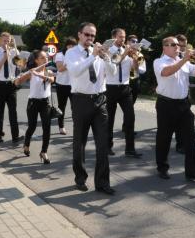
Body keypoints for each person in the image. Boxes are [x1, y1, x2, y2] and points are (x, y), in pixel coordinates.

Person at [65, 22, 116, 195]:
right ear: (79, 35)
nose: (90, 38)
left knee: (103, 143)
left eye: (93, 35)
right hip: (81, 100)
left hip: (100, 99)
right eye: (87, 34)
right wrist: (93, 56)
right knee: (80, 142)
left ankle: (102, 182)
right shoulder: (72, 53)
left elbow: (112, 73)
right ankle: (80, 178)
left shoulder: (98, 53)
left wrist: (106, 57)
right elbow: (75, 71)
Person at [153, 36, 195, 183]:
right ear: (165, 47)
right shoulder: (159, 61)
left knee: (190, 138)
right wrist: (184, 60)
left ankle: (193, 172)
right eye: (173, 45)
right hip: (166, 104)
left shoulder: (184, 61)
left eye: (178, 45)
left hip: (183, 104)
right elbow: (166, 72)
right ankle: (162, 168)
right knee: (164, 138)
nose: (177, 47)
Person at [105, 28, 142, 158]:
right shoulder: (108, 50)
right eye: (120, 37)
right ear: (113, 37)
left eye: (124, 37)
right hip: (110, 88)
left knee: (130, 118)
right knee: (109, 119)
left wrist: (135, 58)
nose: (123, 39)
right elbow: (115, 62)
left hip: (125, 88)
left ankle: (130, 149)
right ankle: (107, 146)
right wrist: (126, 53)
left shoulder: (126, 50)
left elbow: (135, 70)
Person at [15, 50, 55, 164]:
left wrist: (39, 75)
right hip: (33, 102)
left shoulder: (48, 71)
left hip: (45, 103)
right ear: (37, 60)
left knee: (47, 128)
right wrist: (21, 76)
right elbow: (18, 82)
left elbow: (51, 80)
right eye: (42, 58)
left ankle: (44, 152)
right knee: (32, 126)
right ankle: (26, 144)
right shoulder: (31, 72)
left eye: (46, 57)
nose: (46, 59)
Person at [0, 32, 21, 144]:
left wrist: (19, 60)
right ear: (0, 41)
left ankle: (15, 136)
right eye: (4, 41)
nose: (6, 43)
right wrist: (5, 57)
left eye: (8, 41)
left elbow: (20, 66)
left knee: (13, 112)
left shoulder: (14, 51)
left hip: (11, 85)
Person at [54, 37, 77, 135]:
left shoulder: (77, 55)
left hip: (74, 85)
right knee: (61, 106)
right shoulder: (60, 55)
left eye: (73, 45)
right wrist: (70, 61)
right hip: (62, 84)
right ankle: (61, 126)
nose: (71, 47)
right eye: (70, 45)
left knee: (75, 107)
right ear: (66, 46)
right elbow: (60, 69)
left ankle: (76, 126)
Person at [126, 35, 146, 105]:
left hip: (134, 80)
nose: (135, 43)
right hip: (124, 81)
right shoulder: (123, 52)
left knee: (131, 105)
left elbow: (143, 70)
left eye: (136, 42)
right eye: (133, 41)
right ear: (127, 42)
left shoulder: (140, 55)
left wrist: (136, 66)